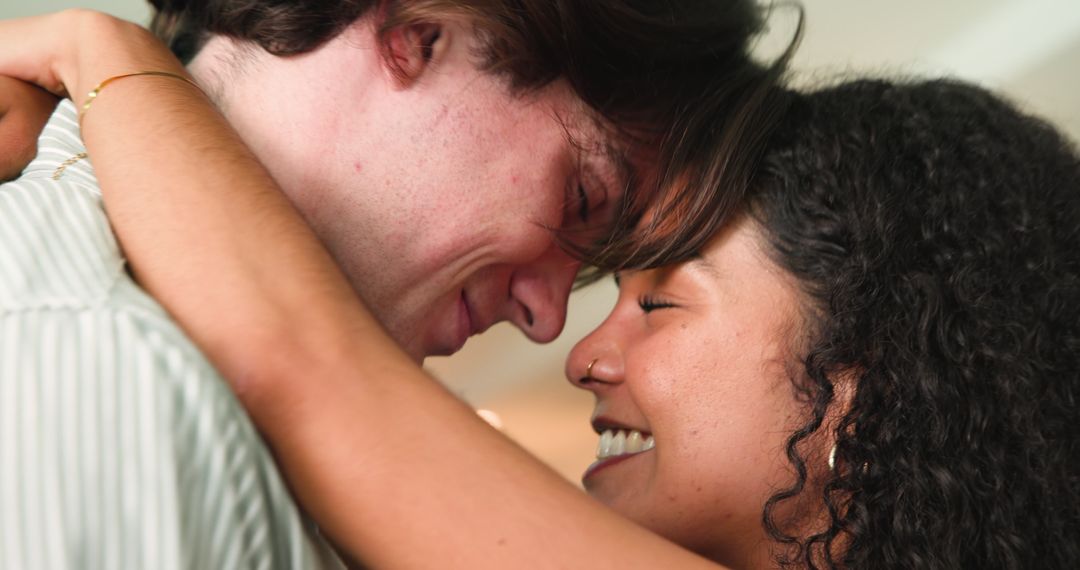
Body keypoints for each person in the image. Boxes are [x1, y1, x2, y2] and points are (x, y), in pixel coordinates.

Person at [9, 5, 1078, 564]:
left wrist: (96, 48)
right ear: (420, 28)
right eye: (581, 196)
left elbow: (313, 373)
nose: (567, 338)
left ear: (874, 370)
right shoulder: (94, 366)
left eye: (659, 296)